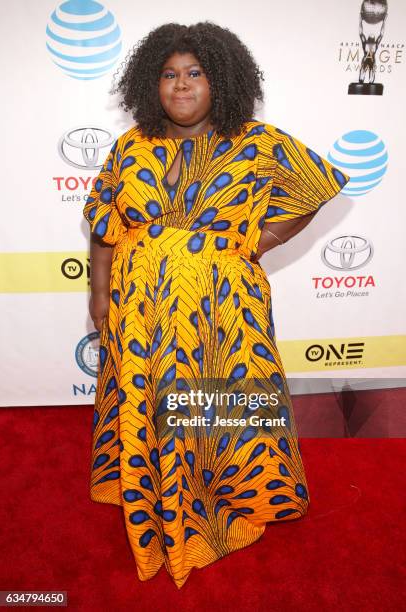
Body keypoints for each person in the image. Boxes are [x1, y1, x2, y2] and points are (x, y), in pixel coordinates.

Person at [83, 21, 350, 589]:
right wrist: (99, 292)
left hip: (222, 307)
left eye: (195, 73)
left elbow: (315, 188)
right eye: (169, 75)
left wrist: (266, 239)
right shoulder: (130, 147)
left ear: (219, 79)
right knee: (154, 396)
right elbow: (105, 228)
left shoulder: (257, 143)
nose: (181, 86)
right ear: (149, 85)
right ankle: (154, 489)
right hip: (144, 308)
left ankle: (221, 493)